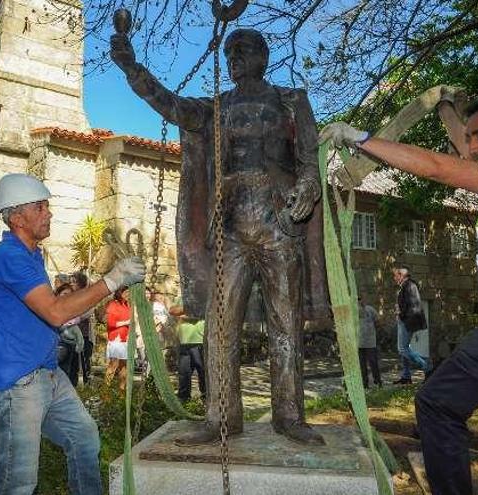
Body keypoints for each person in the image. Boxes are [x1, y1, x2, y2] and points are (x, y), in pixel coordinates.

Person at [321, 94, 478, 495]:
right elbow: (462, 151)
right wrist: (442, 104)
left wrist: (361, 139)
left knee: (437, 404)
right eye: (470, 138)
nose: (472, 147)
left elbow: (444, 169)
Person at [112, 26, 329, 445]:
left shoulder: (291, 100)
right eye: (229, 50)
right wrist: (131, 68)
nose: (233, 56)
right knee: (219, 324)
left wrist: (307, 188)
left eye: (242, 49)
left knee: (286, 323)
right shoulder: (216, 107)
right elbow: (170, 105)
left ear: (263, 56)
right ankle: (220, 417)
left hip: (276, 222)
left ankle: (289, 416)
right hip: (229, 225)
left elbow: (308, 159)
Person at [0, 173, 145, 495]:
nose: (49, 213)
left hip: (47, 374)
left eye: (47, 206)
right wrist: (112, 281)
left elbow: (54, 309)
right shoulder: (9, 257)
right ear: (17, 217)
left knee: (84, 440)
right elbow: (55, 311)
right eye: (40, 207)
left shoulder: (29, 254)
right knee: (17, 480)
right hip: (20, 383)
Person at [392, 266, 431, 384]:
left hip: (407, 321)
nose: (394, 278)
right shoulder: (404, 286)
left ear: (401, 275)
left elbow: (413, 305)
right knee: (405, 348)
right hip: (404, 320)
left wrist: (400, 313)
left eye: (395, 275)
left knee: (402, 349)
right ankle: (406, 376)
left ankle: (428, 368)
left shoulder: (410, 286)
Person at [170, 299, 206, 401]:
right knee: (184, 372)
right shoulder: (182, 298)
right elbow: (172, 311)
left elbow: (202, 312)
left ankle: (206, 398)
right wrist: (190, 311)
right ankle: (184, 399)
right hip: (184, 342)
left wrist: (184, 314)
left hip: (200, 341)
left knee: (203, 372)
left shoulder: (205, 296)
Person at [55, 283, 85, 386]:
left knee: (66, 371)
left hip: (70, 345)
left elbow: (76, 322)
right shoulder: (53, 307)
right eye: (64, 293)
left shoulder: (73, 310)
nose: (67, 296)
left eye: (69, 294)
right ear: (58, 294)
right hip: (58, 343)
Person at [104, 286, 131, 392]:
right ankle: (105, 392)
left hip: (126, 338)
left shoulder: (127, 305)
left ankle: (121, 391)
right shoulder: (113, 304)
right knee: (113, 365)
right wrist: (126, 322)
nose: (128, 294)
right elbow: (111, 323)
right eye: (126, 292)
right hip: (116, 339)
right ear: (120, 293)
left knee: (124, 366)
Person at [71, 271, 95, 385]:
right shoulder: (69, 296)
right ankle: (73, 384)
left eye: (74, 282)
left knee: (85, 361)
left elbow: (89, 311)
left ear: (80, 284)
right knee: (73, 363)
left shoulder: (87, 297)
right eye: (71, 282)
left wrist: (75, 316)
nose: (71, 284)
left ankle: (87, 384)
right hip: (71, 335)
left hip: (84, 334)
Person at [357, 295, 382, 388]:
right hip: (359, 343)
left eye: (360, 299)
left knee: (373, 362)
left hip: (370, 342)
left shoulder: (370, 310)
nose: (359, 302)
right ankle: (364, 383)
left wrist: (374, 330)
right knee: (362, 365)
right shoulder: (353, 311)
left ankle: (377, 381)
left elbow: (378, 321)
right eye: (358, 300)